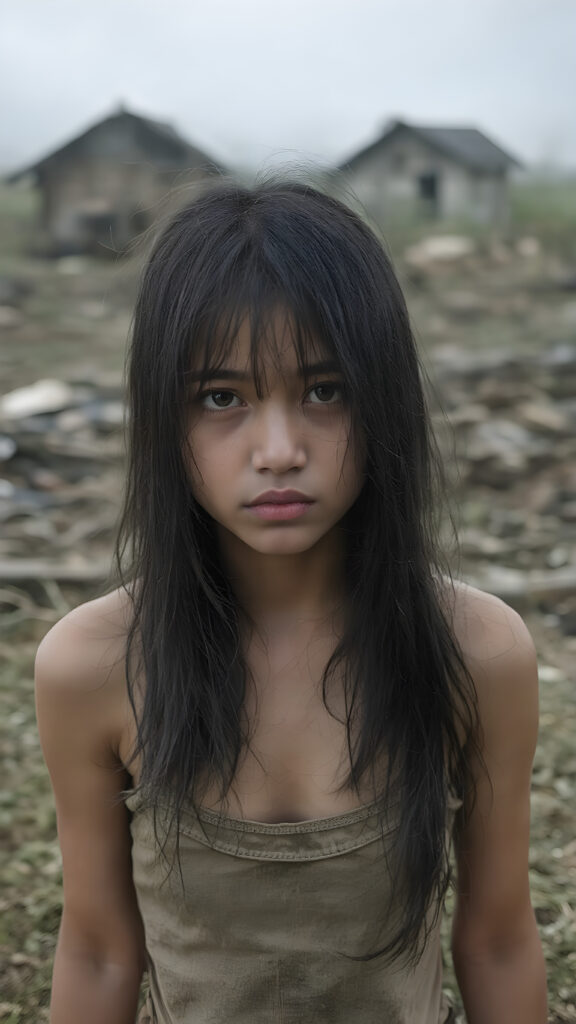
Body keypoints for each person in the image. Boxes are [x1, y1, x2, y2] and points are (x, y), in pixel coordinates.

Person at [35, 180, 547, 1024]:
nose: (278, 451)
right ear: (164, 419)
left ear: (385, 401)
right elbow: (97, 950)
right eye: (222, 397)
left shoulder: (475, 650)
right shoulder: (94, 664)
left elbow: (496, 940)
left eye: (324, 390)